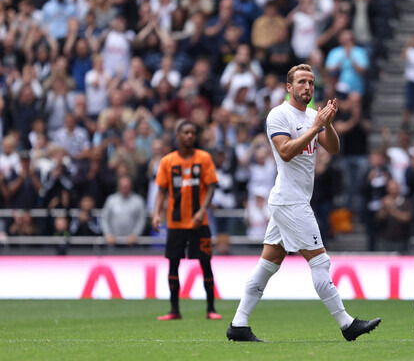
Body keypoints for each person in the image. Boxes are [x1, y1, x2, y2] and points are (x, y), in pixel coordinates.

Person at [227, 64, 380, 342]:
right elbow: (285, 151)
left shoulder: (312, 115)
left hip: (291, 200)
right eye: (301, 82)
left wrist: (328, 124)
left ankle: (238, 324)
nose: (307, 87)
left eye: (310, 82)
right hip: (291, 203)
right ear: (289, 87)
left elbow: (333, 148)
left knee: (268, 265)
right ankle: (347, 324)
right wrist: (315, 127)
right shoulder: (278, 115)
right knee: (321, 261)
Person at [152, 120, 222, 321]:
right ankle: (174, 310)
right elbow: (161, 191)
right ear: (178, 136)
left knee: (205, 263)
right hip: (175, 223)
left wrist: (202, 211)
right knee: (173, 265)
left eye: (193, 132)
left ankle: (211, 308)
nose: (190, 136)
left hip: (200, 223)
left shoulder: (204, 158)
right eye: (186, 132)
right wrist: (157, 214)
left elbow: (210, 187)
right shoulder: (167, 161)